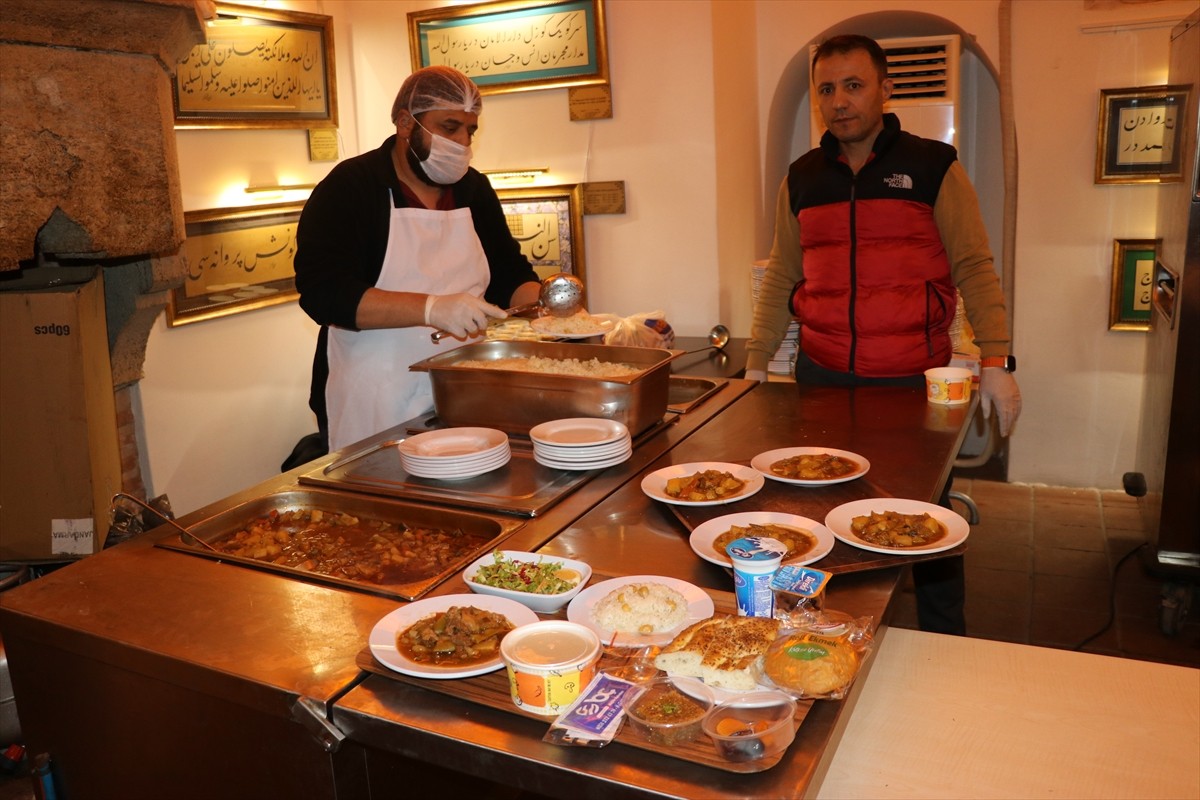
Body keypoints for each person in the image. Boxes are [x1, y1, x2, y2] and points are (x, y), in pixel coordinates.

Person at [745, 34, 1022, 635]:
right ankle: (827, 630)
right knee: (819, 512)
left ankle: (947, 638)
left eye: (853, 85)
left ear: (885, 89)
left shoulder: (932, 167)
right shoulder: (801, 178)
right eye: (826, 89)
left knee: (924, 517)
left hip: (910, 382)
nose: (839, 100)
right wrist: (755, 360)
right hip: (821, 377)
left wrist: (997, 362)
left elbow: (974, 264)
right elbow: (780, 275)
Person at [293, 66, 541, 453]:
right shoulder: (351, 186)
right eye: (449, 127)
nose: (462, 142)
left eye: (469, 131)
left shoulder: (473, 187)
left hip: (462, 387)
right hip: (376, 393)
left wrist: (549, 307)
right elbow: (324, 293)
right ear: (406, 123)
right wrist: (432, 308)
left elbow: (509, 272)